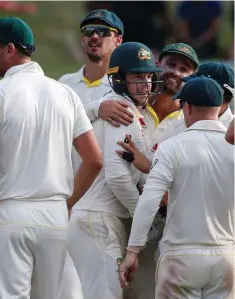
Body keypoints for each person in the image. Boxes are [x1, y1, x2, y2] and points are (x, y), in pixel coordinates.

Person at [0, 17, 103, 299]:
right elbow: (94, 161)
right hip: (54, 215)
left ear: (9, 50)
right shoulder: (65, 93)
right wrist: (66, 203)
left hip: (11, 214)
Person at [118, 76, 234, 298]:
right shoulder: (232, 147)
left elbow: (150, 199)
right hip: (225, 256)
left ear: (187, 107)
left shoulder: (172, 147)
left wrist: (132, 250)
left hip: (182, 258)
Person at [67, 42, 162, 299]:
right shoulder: (121, 109)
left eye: (149, 76)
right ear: (119, 79)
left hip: (100, 219)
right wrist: (145, 218)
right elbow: (117, 175)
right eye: (137, 77)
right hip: (97, 220)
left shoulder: (125, 107)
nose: (146, 83)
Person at [57, 9, 124, 299]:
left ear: (118, 40)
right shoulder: (64, 84)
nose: (94, 37)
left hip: (105, 208)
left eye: (103, 32)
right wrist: (96, 109)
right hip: (63, 205)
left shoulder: (125, 86)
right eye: (88, 31)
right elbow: (53, 124)